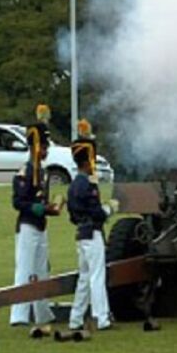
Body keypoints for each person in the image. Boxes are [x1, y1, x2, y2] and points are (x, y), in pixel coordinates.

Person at [9, 121, 59, 336]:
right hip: (28, 225)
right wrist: (39, 208)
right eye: (44, 146)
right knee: (24, 270)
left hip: (40, 225)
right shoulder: (25, 171)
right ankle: (18, 314)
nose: (46, 150)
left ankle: (42, 313)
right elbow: (18, 202)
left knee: (41, 272)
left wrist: (49, 209)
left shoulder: (42, 171)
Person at [67, 119, 115, 332]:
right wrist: (108, 210)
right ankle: (101, 317)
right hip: (92, 231)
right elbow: (96, 211)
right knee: (97, 276)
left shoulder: (74, 185)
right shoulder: (87, 185)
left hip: (80, 232)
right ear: (87, 161)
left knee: (84, 278)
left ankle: (76, 318)